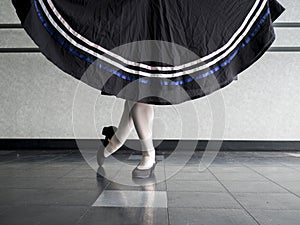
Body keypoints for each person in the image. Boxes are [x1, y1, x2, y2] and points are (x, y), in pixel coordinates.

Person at [12, 0, 286, 178]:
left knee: (139, 84)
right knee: (138, 83)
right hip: (135, 10)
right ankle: (138, 149)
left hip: (166, 11)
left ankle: (122, 143)